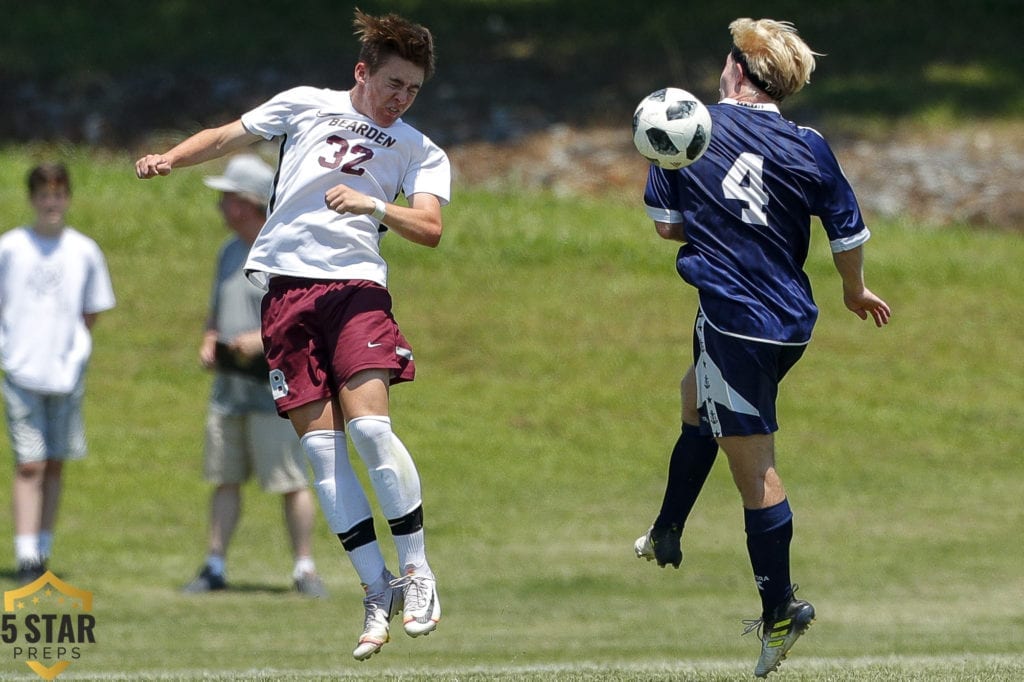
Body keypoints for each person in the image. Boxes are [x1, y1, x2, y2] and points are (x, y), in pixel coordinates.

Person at [135, 9, 449, 660]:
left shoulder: (419, 148)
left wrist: (371, 205)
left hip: (357, 288)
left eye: (413, 89)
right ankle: (375, 588)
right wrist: (170, 157)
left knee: (369, 430)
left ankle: (418, 570)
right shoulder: (306, 105)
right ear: (362, 72)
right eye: (393, 83)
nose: (401, 99)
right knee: (323, 457)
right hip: (284, 296)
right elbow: (228, 137)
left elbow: (429, 228)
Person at [632, 18, 891, 678]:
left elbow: (666, 227)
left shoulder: (694, 127)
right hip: (788, 323)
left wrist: (673, 175)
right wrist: (855, 292)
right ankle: (667, 529)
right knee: (694, 397)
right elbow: (848, 233)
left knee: (755, 468)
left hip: (735, 322)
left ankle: (780, 609)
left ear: (738, 70)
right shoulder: (809, 144)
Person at [181, 154, 327, 599]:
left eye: (227, 197)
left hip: (273, 391)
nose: (221, 206)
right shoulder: (227, 252)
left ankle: (304, 568)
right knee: (225, 478)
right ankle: (214, 565)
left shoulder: (284, 252)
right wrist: (210, 338)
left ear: (247, 203)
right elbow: (215, 309)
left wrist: (260, 341)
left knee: (290, 480)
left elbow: (302, 320)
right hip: (229, 390)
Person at [0, 163, 116, 584]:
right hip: (20, 369)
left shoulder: (83, 250)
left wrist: (72, 349)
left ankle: (43, 545)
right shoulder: (10, 248)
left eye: (59, 194)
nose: (52, 202)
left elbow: (92, 309)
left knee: (54, 462)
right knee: (29, 463)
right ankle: (25, 552)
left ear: (67, 198)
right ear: (32, 199)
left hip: (66, 372)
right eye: (44, 194)